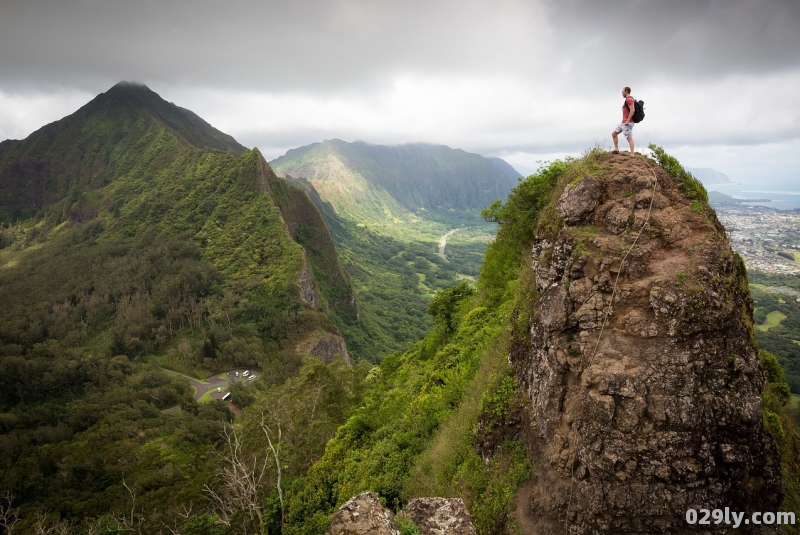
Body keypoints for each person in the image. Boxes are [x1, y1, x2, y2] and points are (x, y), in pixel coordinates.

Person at [612, 87, 636, 155]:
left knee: (629, 138)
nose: (622, 93)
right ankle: (616, 149)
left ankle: (632, 154)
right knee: (614, 134)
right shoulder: (627, 100)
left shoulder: (629, 99)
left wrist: (628, 121)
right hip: (623, 122)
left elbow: (632, 110)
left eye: (623, 92)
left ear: (626, 91)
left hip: (628, 122)